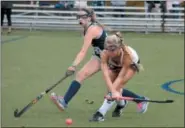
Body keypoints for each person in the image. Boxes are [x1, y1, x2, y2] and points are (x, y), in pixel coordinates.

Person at [50, 8, 148, 115]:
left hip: (111, 59)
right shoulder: (86, 28)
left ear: (89, 18)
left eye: (83, 17)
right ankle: (64, 102)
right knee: (80, 75)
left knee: (113, 87)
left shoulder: (92, 29)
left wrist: (73, 65)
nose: (80, 19)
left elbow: (83, 51)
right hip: (98, 56)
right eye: (78, 16)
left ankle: (140, 99)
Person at [89, 32, 149, 122]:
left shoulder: (127, 56)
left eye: (113, 50)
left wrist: (113, 92)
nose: (110, 53)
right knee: (112, 90)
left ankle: (100, 114)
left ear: (119, 48)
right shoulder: (104, 54)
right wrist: (112, 91)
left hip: (131, 65)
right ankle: (128, 103)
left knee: (117, 86)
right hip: (114, 65)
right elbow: (105, 74)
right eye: (108, 49)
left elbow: (120, 77)